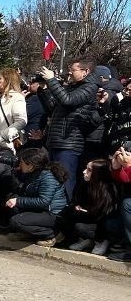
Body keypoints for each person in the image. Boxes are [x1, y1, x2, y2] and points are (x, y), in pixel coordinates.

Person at [38, 57, 98, 196]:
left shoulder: (90, 87)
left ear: (86, 71)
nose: (69, 73)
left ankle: (64, 212)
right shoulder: (72, 86)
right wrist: (44, 90)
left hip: (69, 143)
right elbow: (53, 108)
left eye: (73, 70)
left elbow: (67, 100)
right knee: (51, 180)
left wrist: (52, 80)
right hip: (56, 140)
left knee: (65, 181)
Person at [6, 147, 69, 246]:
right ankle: (29, 234)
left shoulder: (48, 177)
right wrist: (15, 173)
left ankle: (53, 234)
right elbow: (21, 190)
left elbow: (44, 201)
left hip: (52, 214)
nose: (20, 164)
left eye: (22, 162)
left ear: (30, 165)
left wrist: (18, 201)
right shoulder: (34, 173)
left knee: (16, 221)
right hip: (41, 210)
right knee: (11, 206)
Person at [61, 159, 118, 255]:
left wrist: (87, 211)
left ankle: (100, 241)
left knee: (81, 227)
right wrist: (77, 206)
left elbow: (105, 215)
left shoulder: (109, 190)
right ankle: (87, 240)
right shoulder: (85, 184)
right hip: (88, 217)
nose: (84, 172)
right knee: (65, 214)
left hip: (101, 225)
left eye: (89, 170)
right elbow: (77, 201)